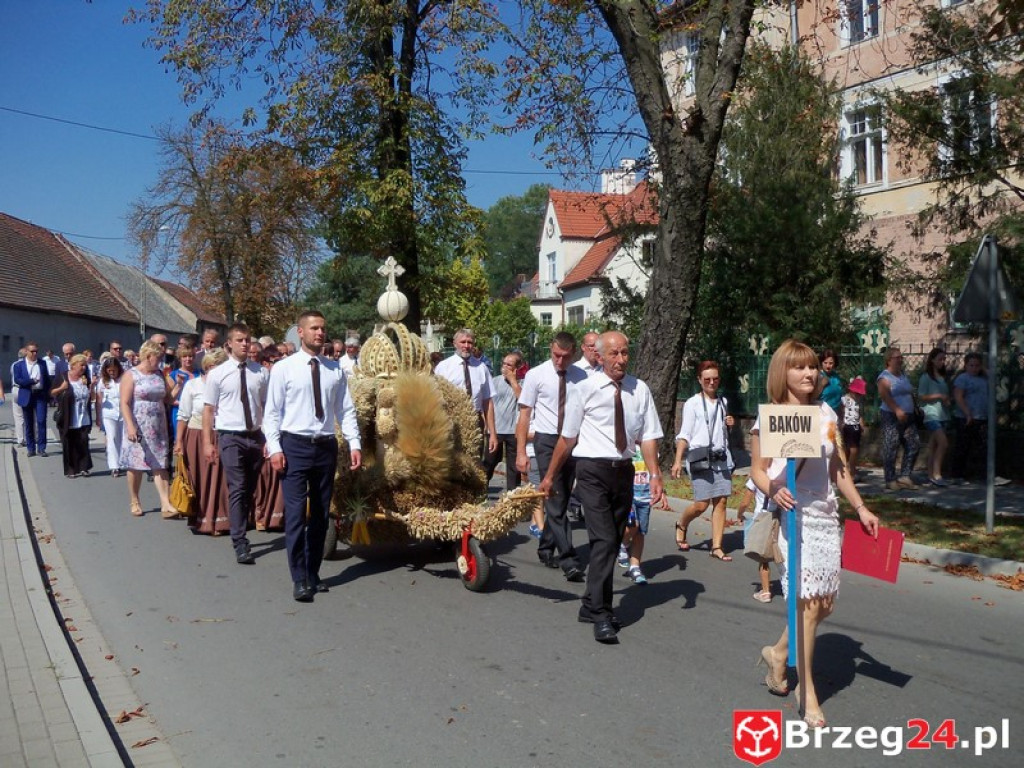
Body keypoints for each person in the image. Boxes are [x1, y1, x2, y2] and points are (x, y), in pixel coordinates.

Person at [750, 339, 878, 729]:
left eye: (812, 368)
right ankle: (808, 694)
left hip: (825, 517)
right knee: (807, 607)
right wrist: (773, 488)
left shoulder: (825, 414)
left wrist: (860, 507)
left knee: (824, 605)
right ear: (782, 373)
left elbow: (838, 469)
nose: (808, 374)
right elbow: (758, 469)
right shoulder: (772, 416)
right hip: (794, 515)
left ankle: (777, 654)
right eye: (798, 367)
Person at [540, 331, 664, 643]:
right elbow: (568, 438)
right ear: (599, 355)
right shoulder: (585, 388)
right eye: (614, 354)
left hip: (622, 471)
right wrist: (550, 476)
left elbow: (648, 435)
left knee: (615, 539)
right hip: (591, 470)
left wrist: (654, 473)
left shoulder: (639, 389)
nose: (621, 360)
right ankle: (601, 612)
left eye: (625, 353)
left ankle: (587, 604)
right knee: (605, 540)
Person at [264, 310, 362, 602]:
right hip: (294, 445)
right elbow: (271, 413)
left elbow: (346, 410)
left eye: (323, 328)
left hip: (325, 446)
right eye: (314, 328)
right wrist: (275, 448)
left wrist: (354, 443)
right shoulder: (284, 368)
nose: (320, 333)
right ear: (301, 332)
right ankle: (299, 577)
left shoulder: (334, 370)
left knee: (320, 515)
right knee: (295, 516)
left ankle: (313, 571)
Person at [515, 332, 588, 580]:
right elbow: (524, 415)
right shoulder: (536, 375)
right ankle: (569, 559)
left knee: (563, 498)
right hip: (546, 441)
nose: (560, 361)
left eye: (565, 357)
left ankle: (546, 547)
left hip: (572, 441)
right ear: (550, 349)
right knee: (555, 499)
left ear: (573, 353)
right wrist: (521, 452)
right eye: (556, 355)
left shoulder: (582, 377)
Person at [202, 324, 269, 564]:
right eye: (239, 340)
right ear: (229, 343)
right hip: (230, 436)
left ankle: (242, 522)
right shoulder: (218, 374)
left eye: (247, 340)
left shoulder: (260, 373)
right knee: (238, 486)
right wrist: (208, 443)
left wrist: (270, 439)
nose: (245, 344)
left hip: (255, 435)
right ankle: (240, 541)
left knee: (249, 488)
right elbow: (208, 410)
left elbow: (268, 407)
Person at [670, 360, 736, 561]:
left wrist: (730, 424)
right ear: (699, 380)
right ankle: (682, 523)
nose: (712, 382)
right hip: (699, 457)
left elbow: (721, 432)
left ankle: (716, 546)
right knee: (701, 504)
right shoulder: (692, 404)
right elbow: (685, 434)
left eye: (715, 378)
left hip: (720, 457)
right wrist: (677, 461)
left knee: (722, 501)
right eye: (707, 379)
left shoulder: (723, 402)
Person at [175, 349, 231, 535]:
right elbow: (183, 416)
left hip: (222, 434)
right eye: (211, 368)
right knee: (202, 478)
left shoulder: (229, 386)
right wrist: (179, 442)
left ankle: (221, 520)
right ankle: (202, 520)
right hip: (197, 435)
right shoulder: (193, 385)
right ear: (206, 367)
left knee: (221, 479)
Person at [120, 340, 174, 517]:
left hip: (158, 423)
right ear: (148, 356)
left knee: (160, 462)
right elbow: (125, 403)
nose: (159, 361)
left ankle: (166, 503)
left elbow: (167, 398)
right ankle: (134, 499)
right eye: (157, 358)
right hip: (138, 423)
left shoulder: (159, 374)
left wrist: (177, 384)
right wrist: (130, 426)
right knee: (136, 465)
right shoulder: (132, 374)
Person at [434, 329, 497, 459]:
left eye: (470, 342)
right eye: (463, 342)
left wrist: (492, 433)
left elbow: (488, 402)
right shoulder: (444, 367)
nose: (467, 346)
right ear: (455, 343)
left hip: (475, 420)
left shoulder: (481, 367)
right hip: (452, 420)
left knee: (475, 461)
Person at [876, 346, 920, 491]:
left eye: (901, 357)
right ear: (889, 360)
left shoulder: (903, 375)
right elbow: (885, 396)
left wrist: (914, 407)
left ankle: (905, 476)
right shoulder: (884, 377)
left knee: (914, 444)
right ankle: (890, 479)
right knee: (891, 445)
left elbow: (909, 393)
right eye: (897, 357)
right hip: (891, 415)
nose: (901, 360)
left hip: (908, 415)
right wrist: (897, 410)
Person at [483, 351, 524, 492]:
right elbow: (487, 404)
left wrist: (513, 380)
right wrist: (488, 427)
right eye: (504, 363)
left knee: (513, 468)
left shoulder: (522, 383)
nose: (505, 367)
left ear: (517, 367)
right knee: (489, 462)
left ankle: (512, 496)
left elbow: (523, 400)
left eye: (509, 365)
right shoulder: (495, 381)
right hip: (496, 430)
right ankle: (481, 490)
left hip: (513, 431)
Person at [51, 354, 95, 478]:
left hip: (83, 416)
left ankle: (84, 467)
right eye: (81, 365)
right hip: (68, 417)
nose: (84, 368)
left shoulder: (85, 378)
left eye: (85, 365)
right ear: (73, 365)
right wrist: (62, 388)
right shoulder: (63, 377)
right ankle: (71, 469)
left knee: (83, 441)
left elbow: (90, 396)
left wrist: (92, 388)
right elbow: (52, 392)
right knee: (69, 444)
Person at [950, 352, 987, 483]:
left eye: (977, 365)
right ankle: (957, 475)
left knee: (983, 447)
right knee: (963, 446)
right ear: (966, 366)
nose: (974, 368)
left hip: (981, 417)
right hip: (966, 417)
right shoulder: (963, 379)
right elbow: (958, 396)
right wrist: (967, 413)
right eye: (971, 365)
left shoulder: (983, 379)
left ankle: (983, 474)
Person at [917, 348, 951, 487]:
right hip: (931, 414)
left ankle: (930, 474)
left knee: (934, 445)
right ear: (932, 360)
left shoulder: (942, 377)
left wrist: (947, 400)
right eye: (939, 359)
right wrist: (938, 396)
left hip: (942, 413)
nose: (942, 362)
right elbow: (922, 396)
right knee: (943, 443)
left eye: (944, 359)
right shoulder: (926, 377)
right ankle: (937, 474)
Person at [13, 342, 52, 457]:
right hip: (27, 395)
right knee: (29, 423)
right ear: (26, 351)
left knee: (41, 421)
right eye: (32, 351)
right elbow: (18, 380)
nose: (34, 353)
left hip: (40, 396)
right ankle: (31, 448)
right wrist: (31, 381)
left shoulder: (42, 363)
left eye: (36, 351)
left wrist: (49, 395)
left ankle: (41, 448)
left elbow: (47, 381)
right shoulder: (19, 365)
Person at [95, 357, 125, 477]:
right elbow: (98, 400)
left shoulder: (124, 379)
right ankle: (114, 466)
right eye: (109, 371)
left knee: (123, 438)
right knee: (111, 438)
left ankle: (123, 461)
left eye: (114, 370)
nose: (112, 373)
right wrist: (98, 417)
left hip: (123, 413)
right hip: (109, 414)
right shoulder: (103, 382)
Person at [839, 376, 867, 481]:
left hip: (856, 425)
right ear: (851, 390)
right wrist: (841, 422)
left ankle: (851, 468)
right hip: (847, 425)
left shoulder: (859, 401)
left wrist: (862, 424)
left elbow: (859, 414)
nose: (858, 395)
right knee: (851, 448)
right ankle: (850, 469)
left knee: (854, 448)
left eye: (860, 394)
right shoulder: (844, 399)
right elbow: (841, 411)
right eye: (856, 393)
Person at [9, 348, 26, 445]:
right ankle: (30, 437)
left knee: (18, 416)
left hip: (15, 389)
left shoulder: (13, 364)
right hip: (23, 389)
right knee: (28, 414)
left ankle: (21, 439)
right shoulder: (25, 365)